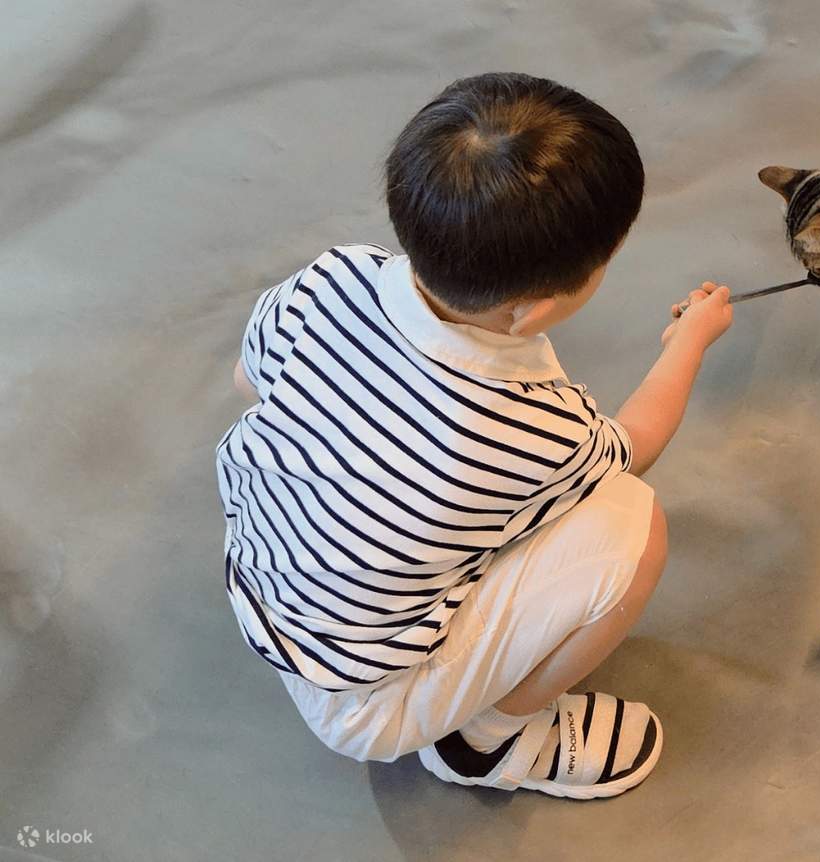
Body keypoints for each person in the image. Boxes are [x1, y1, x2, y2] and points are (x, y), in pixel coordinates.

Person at [216, 72, 732, 799]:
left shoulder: (328, 277)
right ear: (535, 309)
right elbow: (633, 446)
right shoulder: (533, 425)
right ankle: (485, 743)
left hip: (258, 577)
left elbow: (249, 379)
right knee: (630, 526)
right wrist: (689, 343)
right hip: (364, 699)